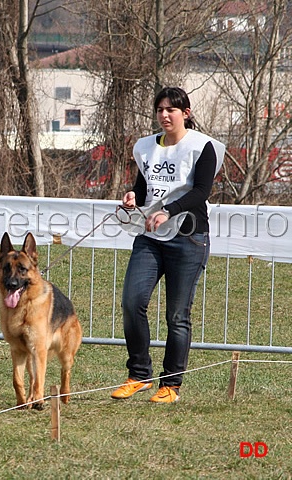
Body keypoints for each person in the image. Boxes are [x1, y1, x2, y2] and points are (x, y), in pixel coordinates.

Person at [110, 86, 225, 404]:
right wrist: (132, 196)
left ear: (185, 113)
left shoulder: (202, 147)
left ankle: (170, 385)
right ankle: (139, 375)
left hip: (189, 238)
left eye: (171, 109)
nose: (164, 115)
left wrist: (168, 211)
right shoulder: (145, 147)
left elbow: (201, 190)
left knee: (177, 315)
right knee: (132, 303)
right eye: (160, 109)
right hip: (150, 239)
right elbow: (142, 185)